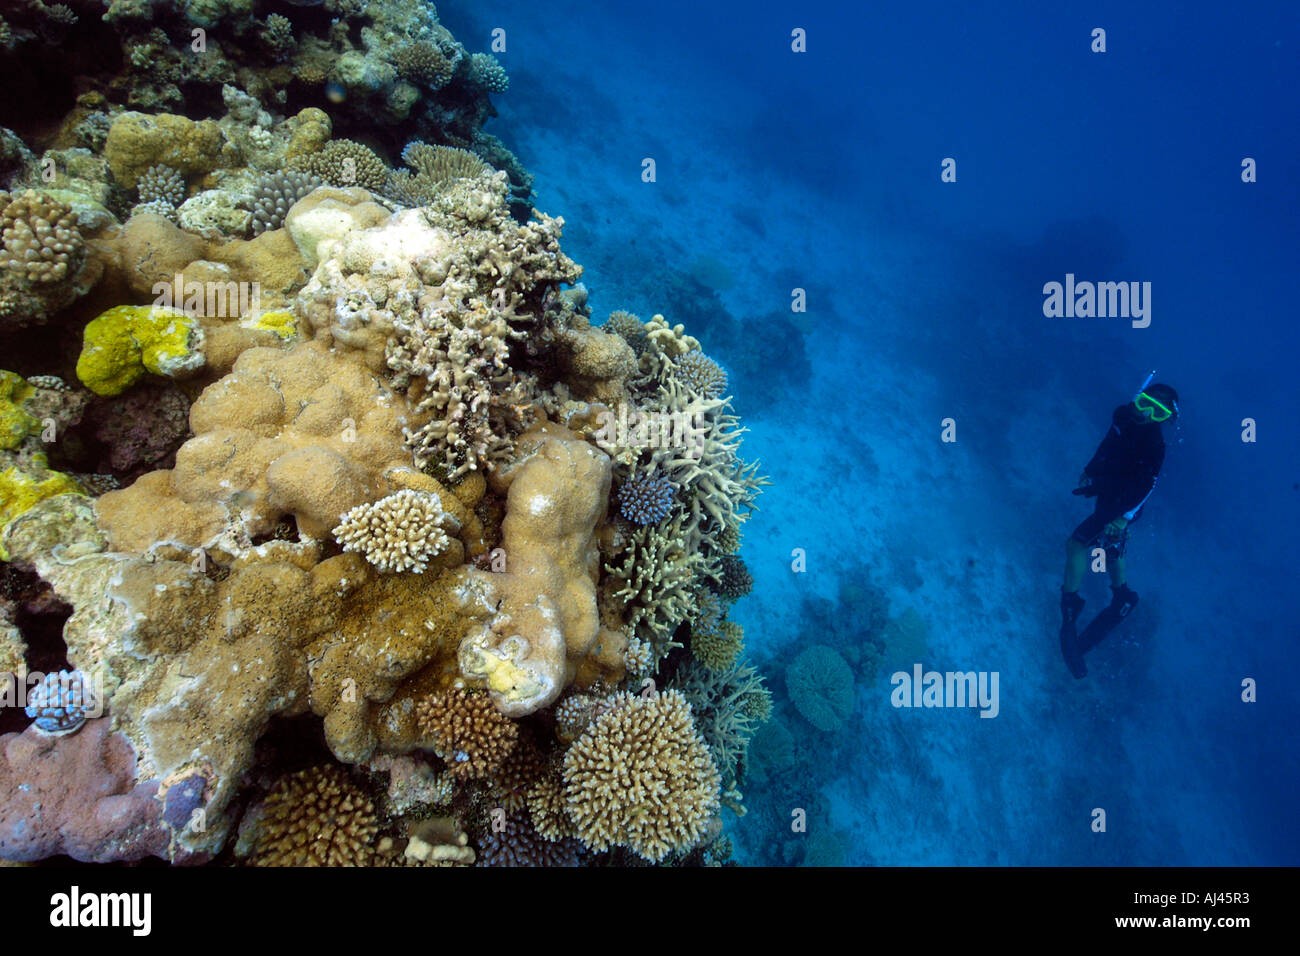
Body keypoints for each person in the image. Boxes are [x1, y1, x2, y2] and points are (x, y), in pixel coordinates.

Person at [1060, 381, 1179, 678]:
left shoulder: (1156, 445)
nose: (1147, 413)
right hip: (1108, 493)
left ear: (1165, 418)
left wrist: (1125, 516)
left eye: (1158, 411)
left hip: (1125, 504)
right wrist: (1091, 470)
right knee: (1110, 548)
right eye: (1144, 403)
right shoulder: (1122, 416)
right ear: (1137, 398)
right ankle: (1123, 596)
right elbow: (1107, 445)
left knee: (1076, 544)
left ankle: (1071, 604)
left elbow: (1148, 485)